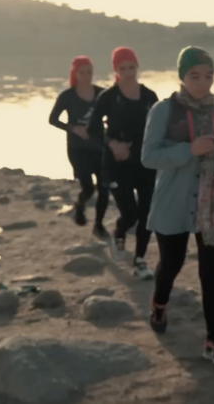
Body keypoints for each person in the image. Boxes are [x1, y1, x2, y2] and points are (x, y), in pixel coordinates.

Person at [141, 46, 214, 365]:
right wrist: (189, 150)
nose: (203, 83)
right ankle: (159, 302)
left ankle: (213, 340)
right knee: (172, 263)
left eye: (208, 76)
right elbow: (149, 156)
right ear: (182, 77)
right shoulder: (163, 110)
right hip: (174, 203)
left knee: (212, 273)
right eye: (195, 76)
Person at [87, 47, 159, 280]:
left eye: (132, 67)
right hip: (117, 166)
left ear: (137, 68)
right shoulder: (108, 97)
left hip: (146, 165)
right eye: (123, 68)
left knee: (147, 214)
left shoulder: (149, 97)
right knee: (130, 214)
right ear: (116, 70)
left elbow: (160, 130)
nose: (128, 72)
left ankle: (139, 261)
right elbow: (92, 130)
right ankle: (119, 232)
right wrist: (112, 145)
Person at [48, 56, 110, 239]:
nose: (87, 76)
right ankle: (80, 205)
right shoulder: (67, 96)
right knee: (88, 188)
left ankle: (99, 225)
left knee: (104, 187)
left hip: (99, 147)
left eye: (89, 72)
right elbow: (52, 120)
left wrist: (107, 127)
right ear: (75, 73)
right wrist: (73, 128)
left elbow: (114, 116)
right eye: (82, 72)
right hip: (77, 149)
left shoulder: (103, 94)